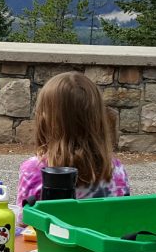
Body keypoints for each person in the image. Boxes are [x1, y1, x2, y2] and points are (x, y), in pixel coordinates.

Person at [16, 71, 131, 224]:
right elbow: (123, 219)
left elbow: (24, 223)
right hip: (100, 247)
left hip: (52, 247)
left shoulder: (34, 170)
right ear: (97, 119)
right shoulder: (116, 169)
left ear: (45, 119)